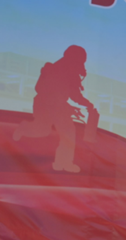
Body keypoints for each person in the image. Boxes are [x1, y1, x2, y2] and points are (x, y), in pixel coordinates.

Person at [13, 45, 96, 173]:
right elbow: (41, 89)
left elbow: (74, 94)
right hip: (44, 106)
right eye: (79, 61)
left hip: (60, 108)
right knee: (42, 130)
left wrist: (87, 104)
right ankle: (23, 128)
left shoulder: (72, 73)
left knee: (68, 133)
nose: (81, 64)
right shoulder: (52, 69)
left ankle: (64, 163)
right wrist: (68, 107)